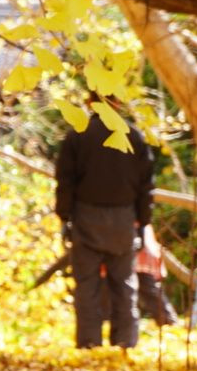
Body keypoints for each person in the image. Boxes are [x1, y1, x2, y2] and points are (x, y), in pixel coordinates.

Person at [54, 103, 155, 349]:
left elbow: (65, 181)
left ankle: (89, 343)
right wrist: (143, 222)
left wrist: (65, 216)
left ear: (92, 103)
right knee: (124, 284)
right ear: (119, 104)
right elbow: (146, 186)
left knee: (87, 286)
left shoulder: (78, 135)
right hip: (123, 219)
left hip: (86, 217)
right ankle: (125, 342)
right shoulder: (134, 136)